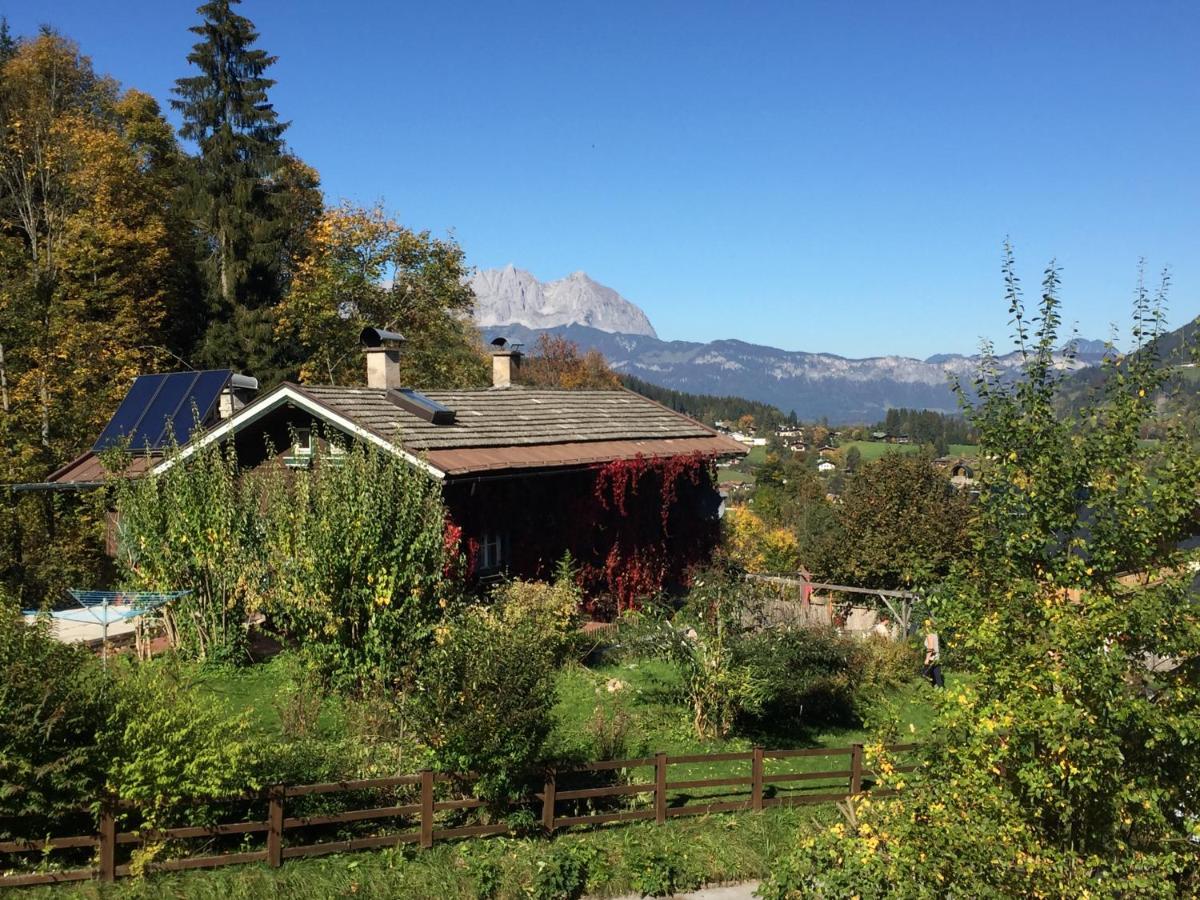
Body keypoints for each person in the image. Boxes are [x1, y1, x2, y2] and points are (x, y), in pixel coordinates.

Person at [923, 619, 944, 688]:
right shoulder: (935, 633)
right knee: (937, 676)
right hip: (936, 657)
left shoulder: (929, 634)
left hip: (931, 658)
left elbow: (930, 647)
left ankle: (928, 690)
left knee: (924, 675)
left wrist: (927, 659)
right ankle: (940, 691)